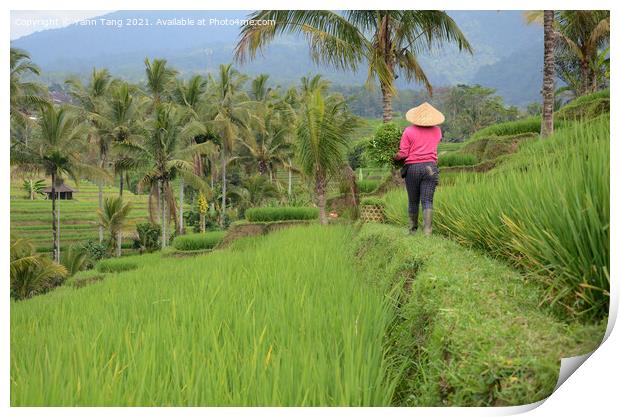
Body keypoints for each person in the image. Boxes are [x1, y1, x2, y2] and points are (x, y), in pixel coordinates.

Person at [393, 102, 444, 235]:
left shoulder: (408, 131)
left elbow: (403, 153)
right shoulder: (437, 131)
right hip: (430, 168)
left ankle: (412, 230)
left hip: (413, 169)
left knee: (413, 200)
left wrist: (394, 157)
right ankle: (427, 231)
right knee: (427, 200)